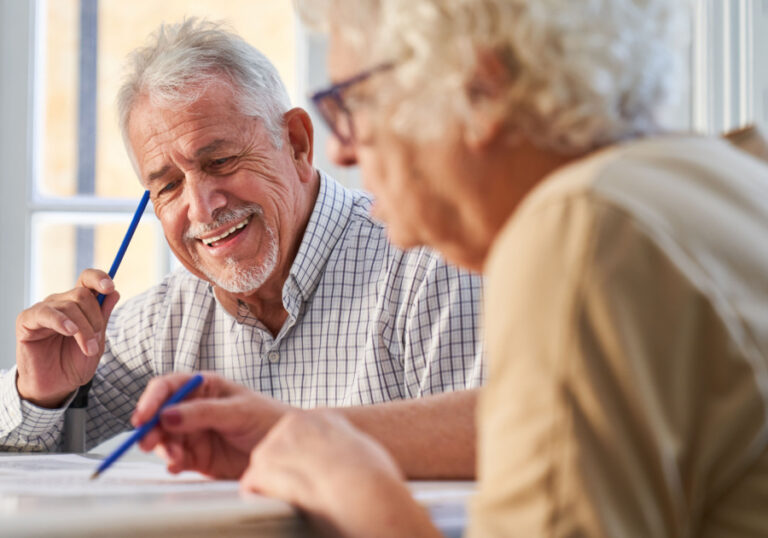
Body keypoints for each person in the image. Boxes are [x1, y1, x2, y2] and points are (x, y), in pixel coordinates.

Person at [135, 1, 768, 536]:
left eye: (352, 102)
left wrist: (359, 498)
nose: (341, 148)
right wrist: (300, 430)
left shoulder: (579, 229)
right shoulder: (720, 177)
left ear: (479, 89)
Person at [0, 18, 484, 476]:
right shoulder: (172, 316)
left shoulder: (428, 271)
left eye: (220, 161)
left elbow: (495, 456)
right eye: (167, 186)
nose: (203, 207)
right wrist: (40, 392)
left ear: (297, 143)